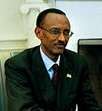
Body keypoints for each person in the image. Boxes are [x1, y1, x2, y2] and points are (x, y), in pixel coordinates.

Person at [5, 8, 102, 111]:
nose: (62, 39)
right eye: (55, 31)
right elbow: (24, 108)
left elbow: (90, 105)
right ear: (38, 33)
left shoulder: (78, 62)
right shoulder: (18, 65)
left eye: (66, 33)